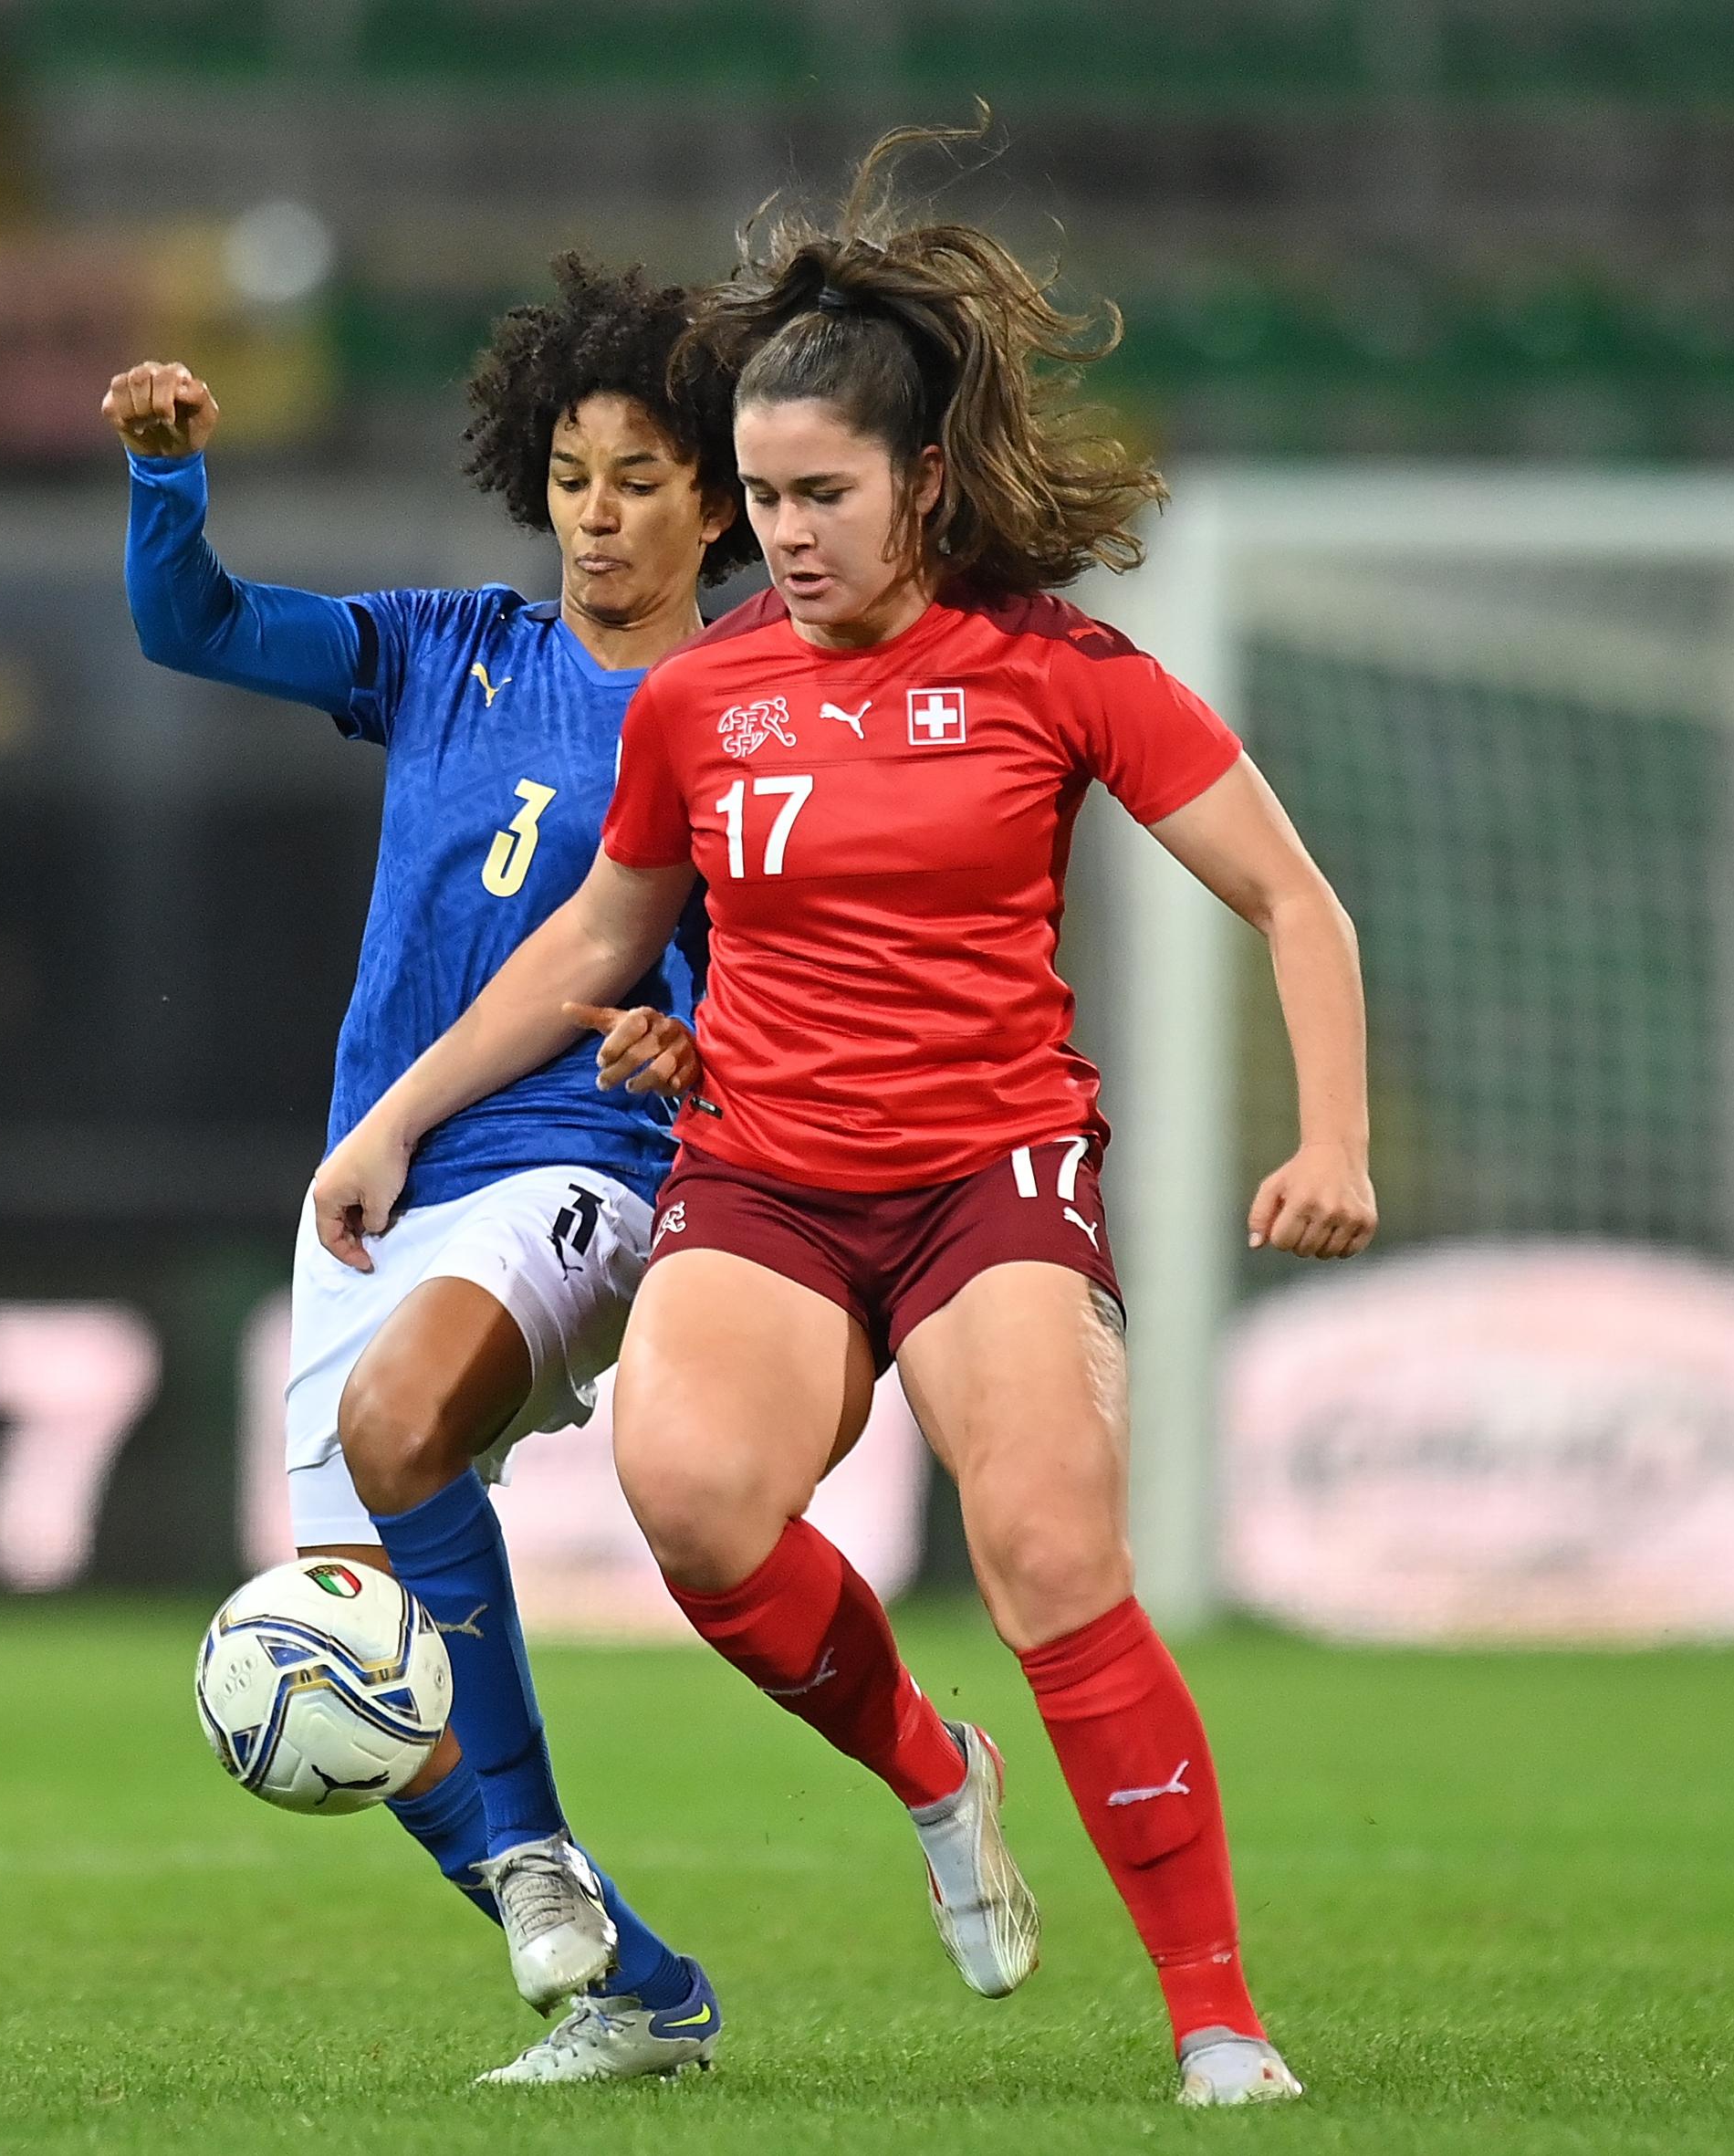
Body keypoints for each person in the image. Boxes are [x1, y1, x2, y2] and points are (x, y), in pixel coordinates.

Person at [306, 124, 1379, 2109]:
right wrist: (397, 1117)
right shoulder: (698, 699)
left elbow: (1289, 895)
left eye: (818, 496)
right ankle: (931, 1767)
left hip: (988, 1182)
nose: (779, 537)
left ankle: (1217, 2017)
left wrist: (1329, 1137)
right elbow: (587, 949)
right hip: (766, 1186)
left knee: (1051, 1554)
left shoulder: (1053, 666)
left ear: (924, 484)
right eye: (765, 498)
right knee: (689, 1492)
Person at [104, 253, 753, 2086]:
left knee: (400, 1431)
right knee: (355, 1655)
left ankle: (541, 1856)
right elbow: (197, 627)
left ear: (712, 493)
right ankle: (632, 1978)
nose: (595, 514)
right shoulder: (449, 648)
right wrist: (167, 478)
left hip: (582, 1166)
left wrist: (682, 1040)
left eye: (636, 477)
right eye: (567, 475)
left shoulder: (745, 710)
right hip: (375, 1182)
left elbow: (767, 964)